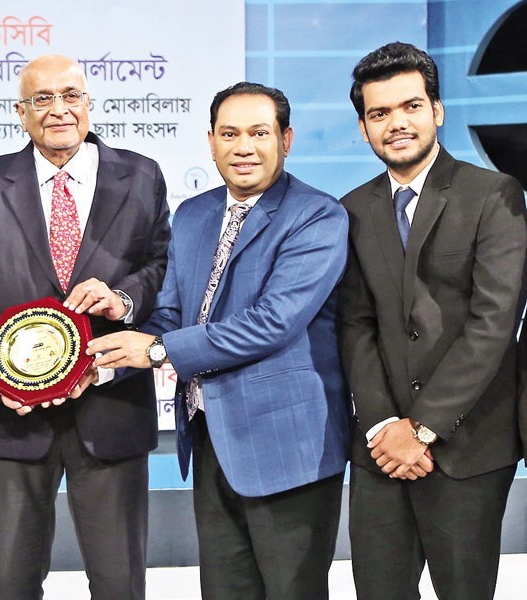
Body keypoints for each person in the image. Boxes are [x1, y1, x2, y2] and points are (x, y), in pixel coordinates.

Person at [88, 82, 351, 599]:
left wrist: (160, 351)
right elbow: (167, 315)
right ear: (210, 142)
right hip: (211, 438)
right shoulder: (192, 214)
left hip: (286, 446)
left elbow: (273, 321)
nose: (244, 147)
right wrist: (102, 364)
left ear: (287, 139)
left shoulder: (316, 215)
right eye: (230, 134)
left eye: (259, 133)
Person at [0, 54, 171, 599]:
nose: (58, 110)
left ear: (89, 104)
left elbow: (163, 266)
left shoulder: (141, 174)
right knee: (9, 585)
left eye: (70, 95)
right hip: (9, 416)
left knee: (120, 585)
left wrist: (123, 298)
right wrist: (6, 359)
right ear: (20, 113)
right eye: (41, 99)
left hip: (112, 407)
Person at [338, 42, 527, 600]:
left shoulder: (493, 196)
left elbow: (494, 324)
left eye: (411, 106)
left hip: (467, 446)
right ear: (363, 126)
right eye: (380, 113)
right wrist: (382, 428)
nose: (397, 123)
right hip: (380, 451)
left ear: (437, 110)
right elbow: (355, 324)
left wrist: (419, 429)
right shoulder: (350, 209)